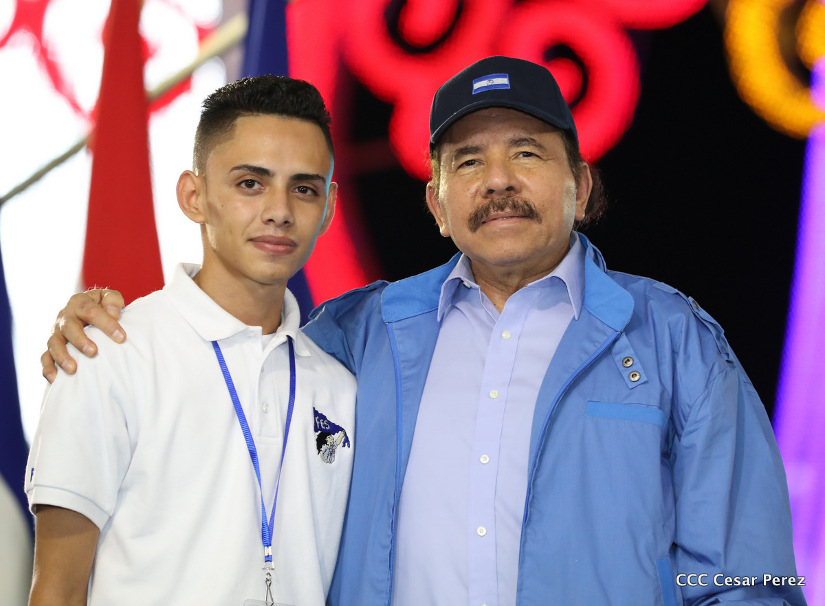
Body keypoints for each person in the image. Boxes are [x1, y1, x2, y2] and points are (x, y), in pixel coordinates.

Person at [41, 57, 805, 605]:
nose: (497, 180)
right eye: (467, 161)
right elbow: (236, 344)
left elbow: (750, 579)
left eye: (526, 153)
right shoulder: (359, 334)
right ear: (437, 204)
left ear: (579, 185)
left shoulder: (671, 340)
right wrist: (99, 322)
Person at [27, 75, 356, 606]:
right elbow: (57, 590)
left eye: (304, 188)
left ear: (329, 207)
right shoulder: (107, 355)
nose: (279, 210)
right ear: (194, 196)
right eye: (250, 183)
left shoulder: (340, 387)